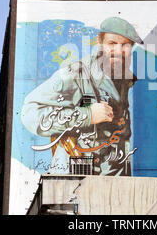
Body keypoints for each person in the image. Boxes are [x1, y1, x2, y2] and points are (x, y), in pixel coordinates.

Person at [21, 17, 144, 176]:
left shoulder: (127, 80)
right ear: (100, 43)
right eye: (112, 44)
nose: (119, 51)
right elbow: (30, 113)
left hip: (114, 182)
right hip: (76, 180)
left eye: (125, 45)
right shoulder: (77, 74)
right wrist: (88, 115)